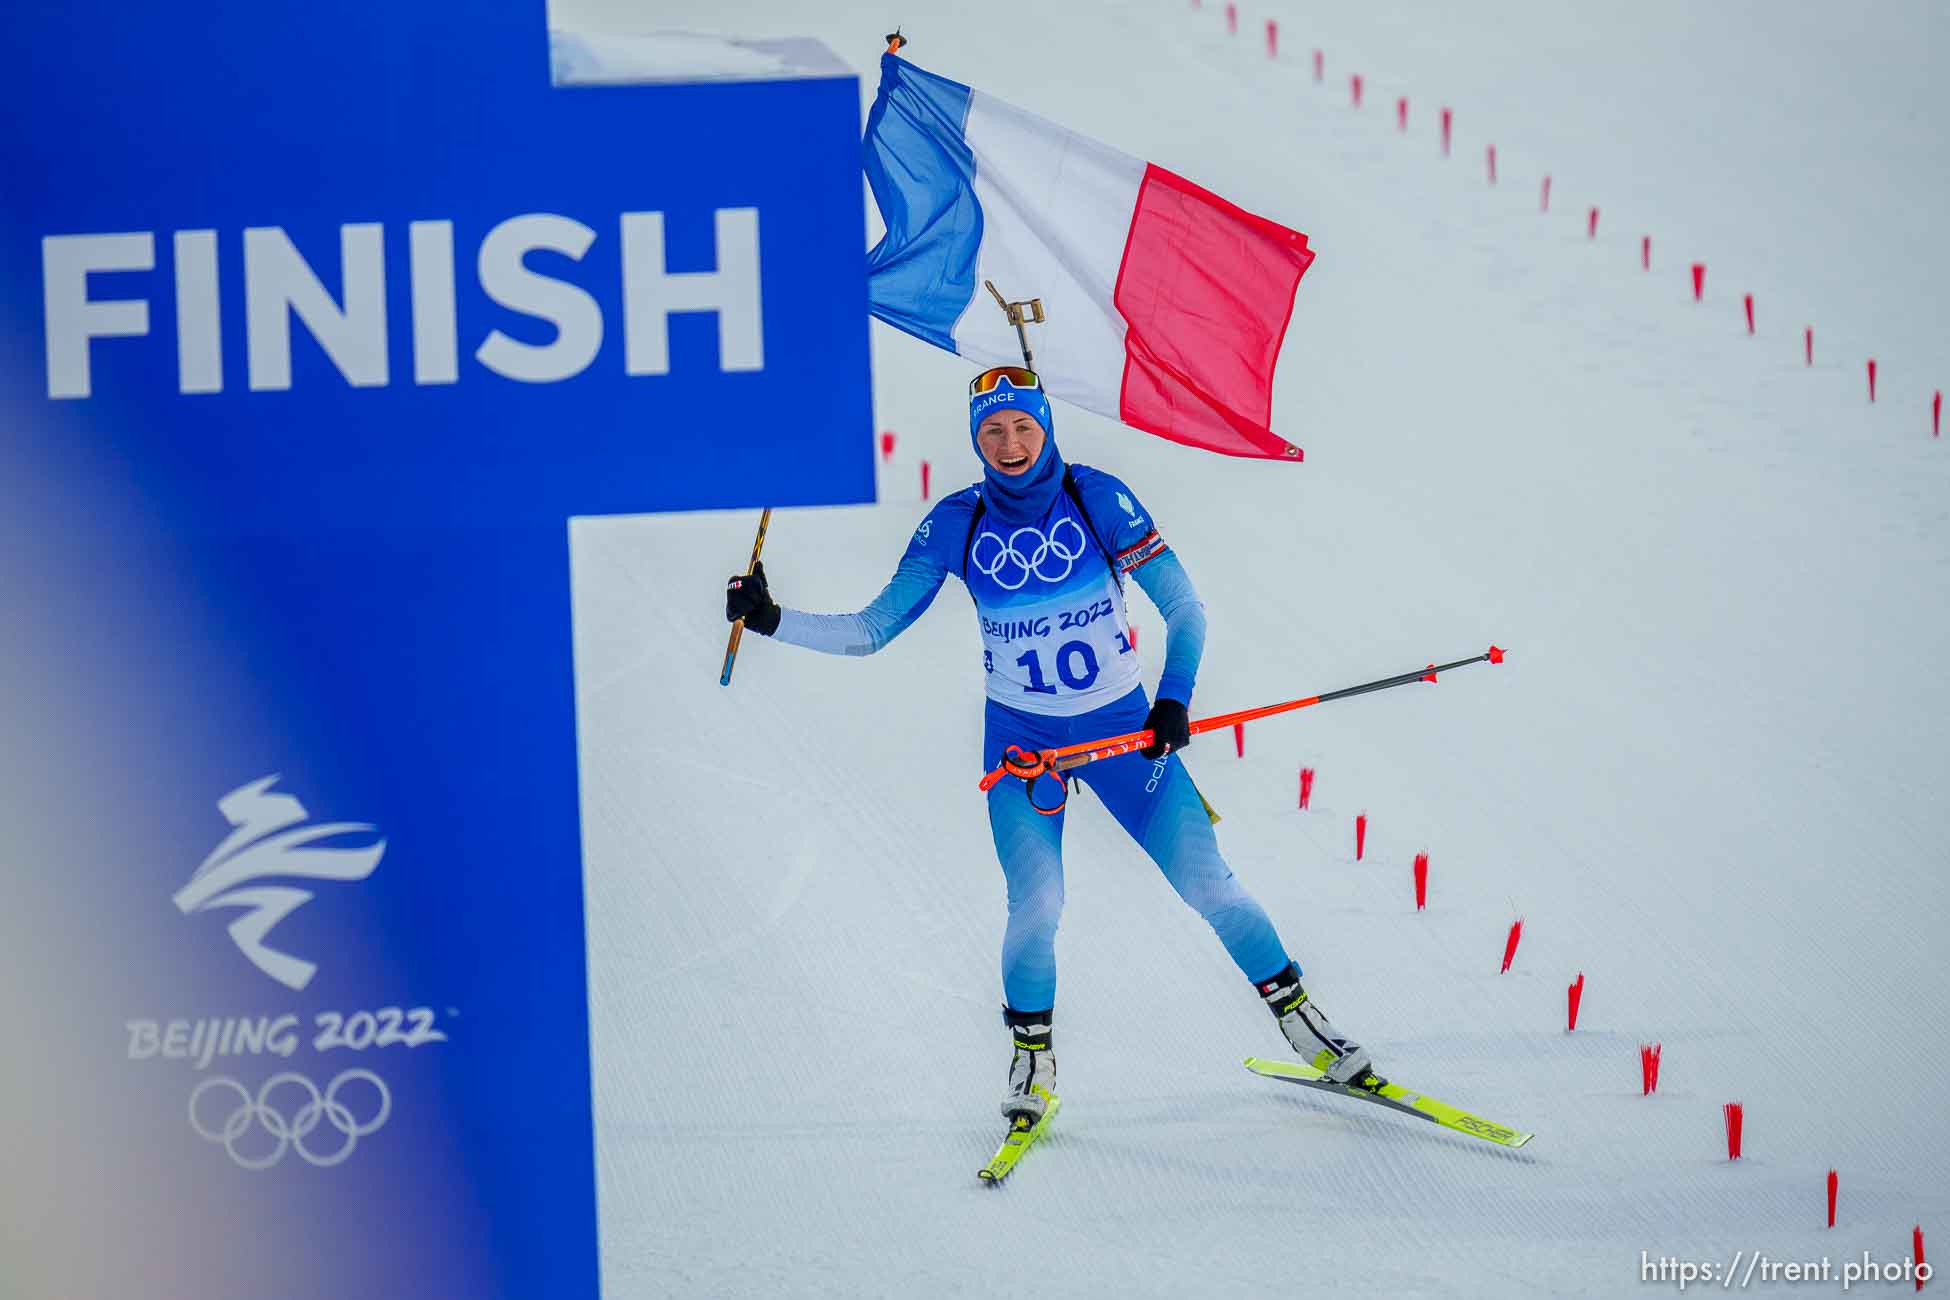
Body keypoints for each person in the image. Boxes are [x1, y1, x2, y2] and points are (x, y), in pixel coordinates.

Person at [724, 367, 1380, 1123]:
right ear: (975, 439)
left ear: (1045, 428)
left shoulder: (1096, 498)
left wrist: (1173, 699)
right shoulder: (956, 522)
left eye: (1023, 427)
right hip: (1022, 746)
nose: (1009, 444)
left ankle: (1306, 1027)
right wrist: (772, 620)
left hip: (1126, 732)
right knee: (1036, 908)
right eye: (992, 431)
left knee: (1211, 887)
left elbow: (1184, 608)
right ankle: (1031, 1061)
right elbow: (872, 631)